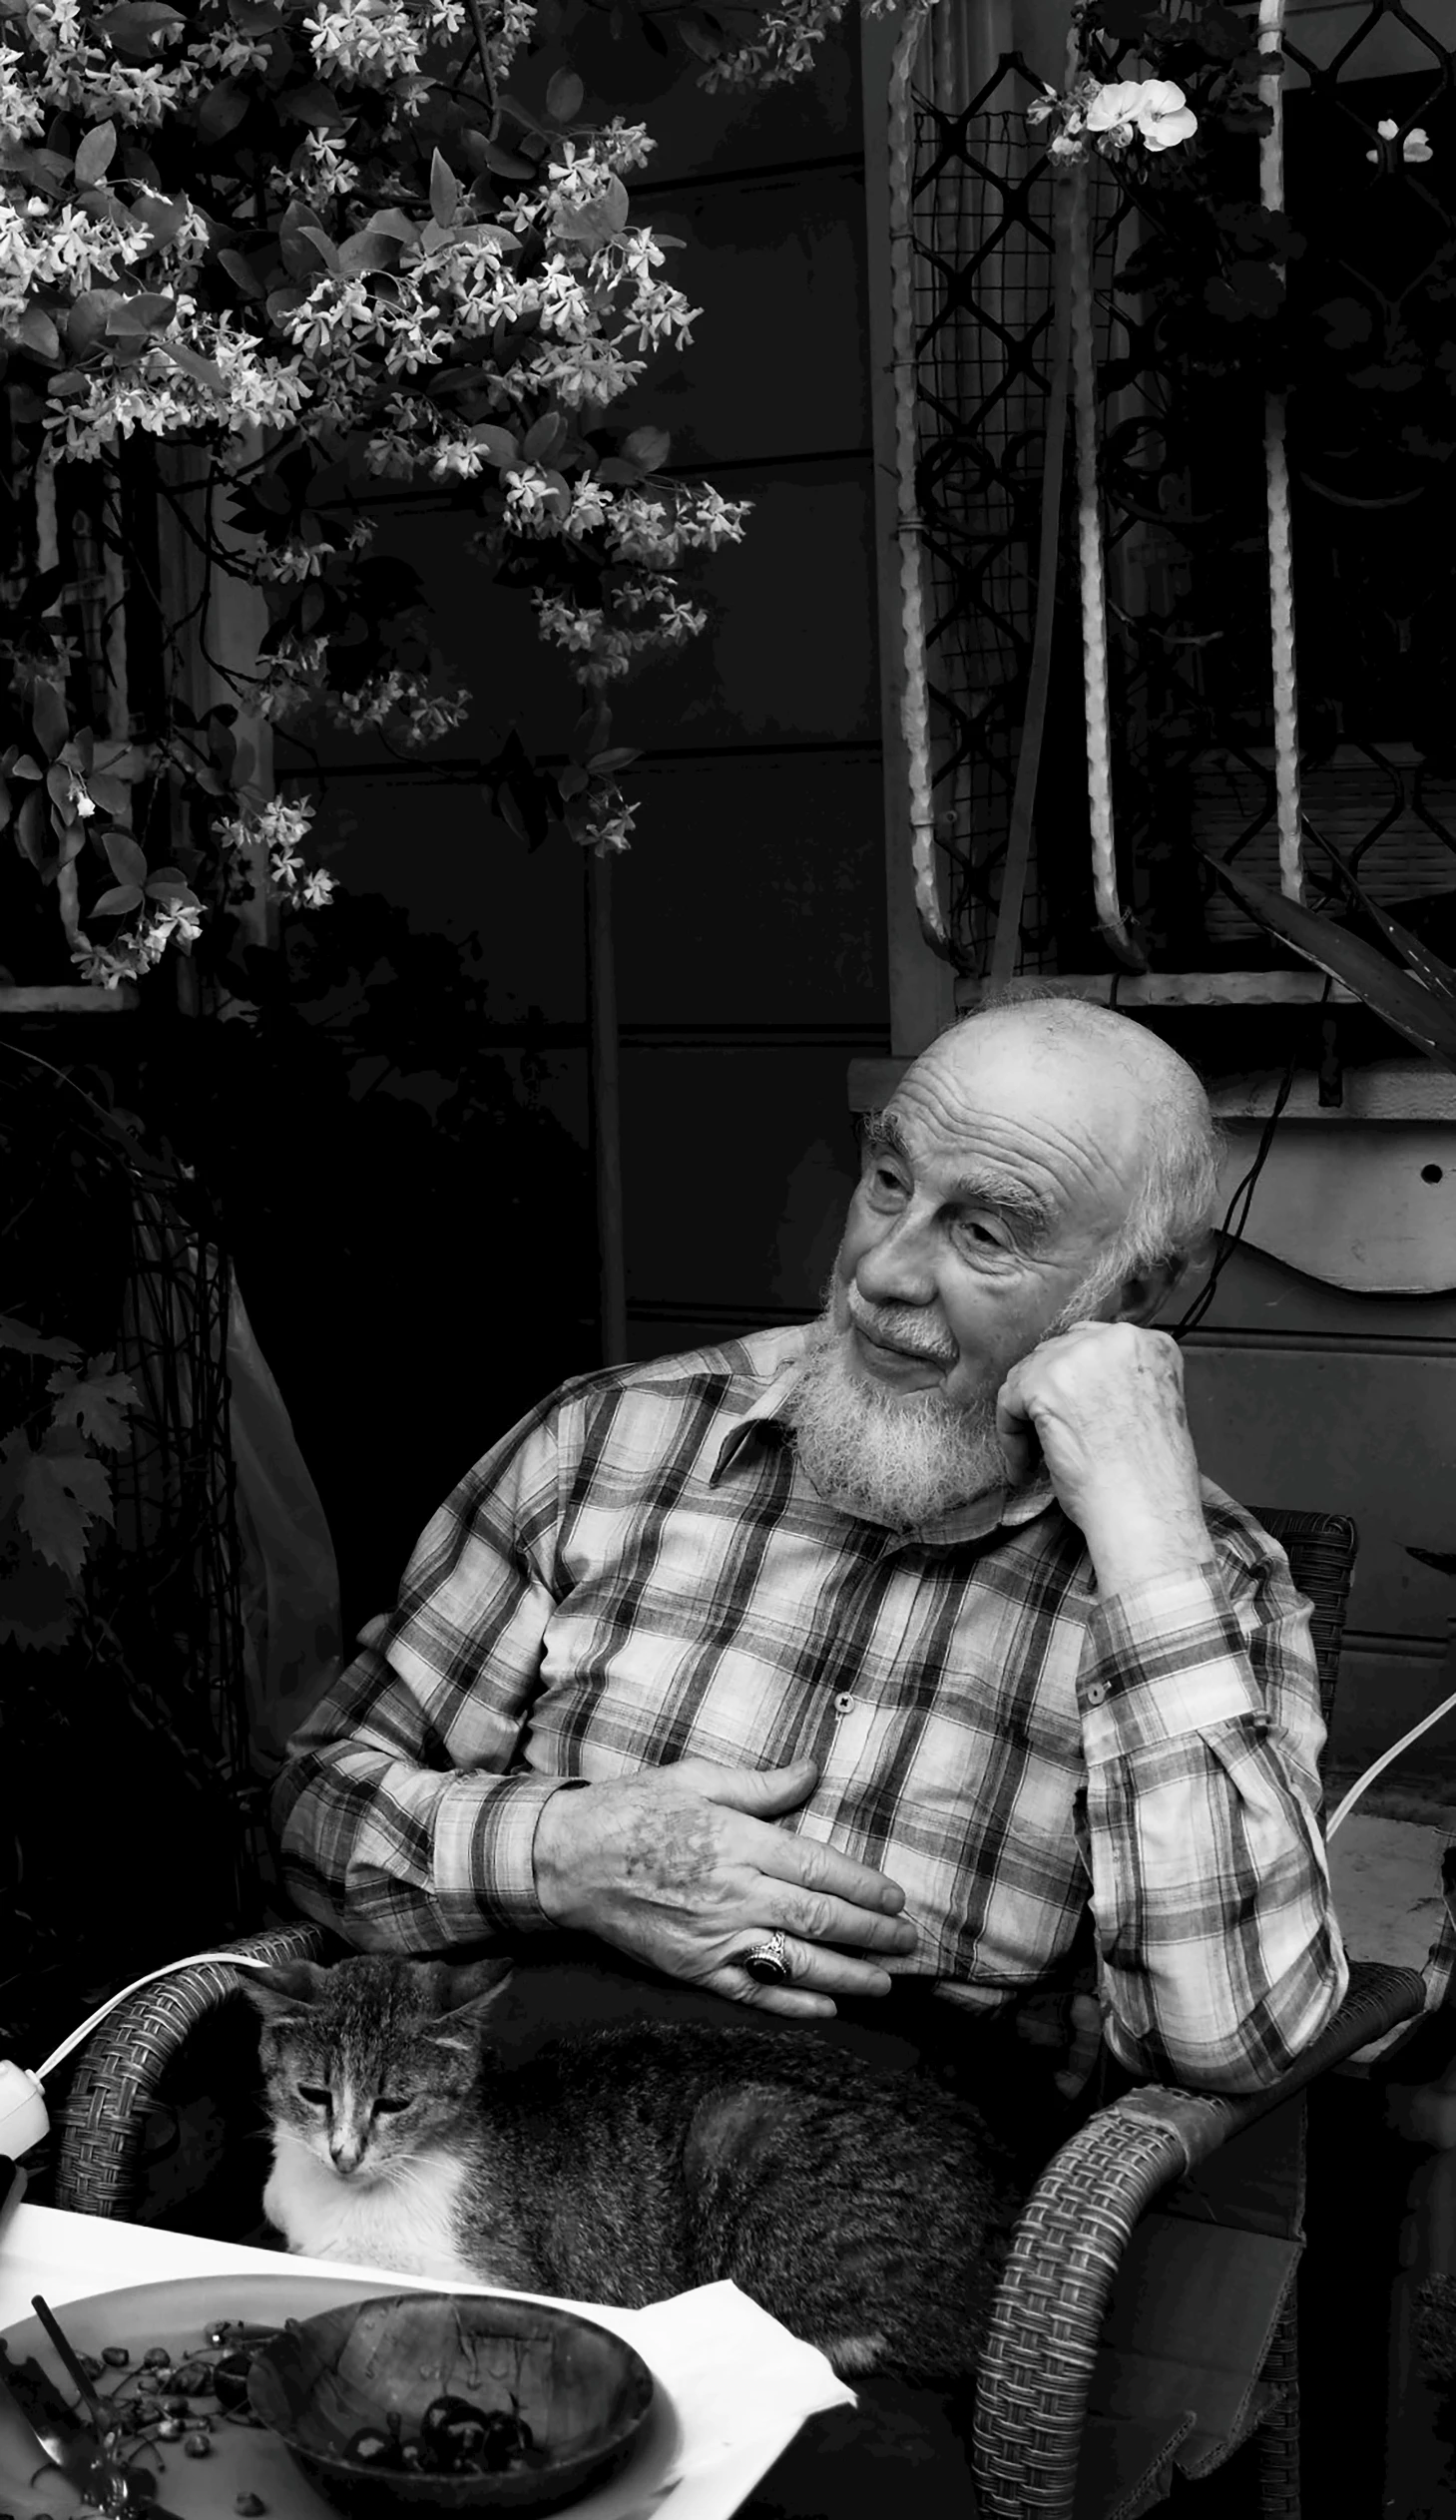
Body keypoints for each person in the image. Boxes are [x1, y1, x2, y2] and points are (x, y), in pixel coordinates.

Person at [271, 994, 1348, 2515]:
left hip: (849, 2213)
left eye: (989, 1235)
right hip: (477, 2124)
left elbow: (1230, 2036)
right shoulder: (604, 1448)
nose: (886, 1274)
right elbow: (319, 1806)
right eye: (889, 1181)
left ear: (1138, 1293)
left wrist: (1147, 1541)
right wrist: (564, 1850)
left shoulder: (1193, 1587)